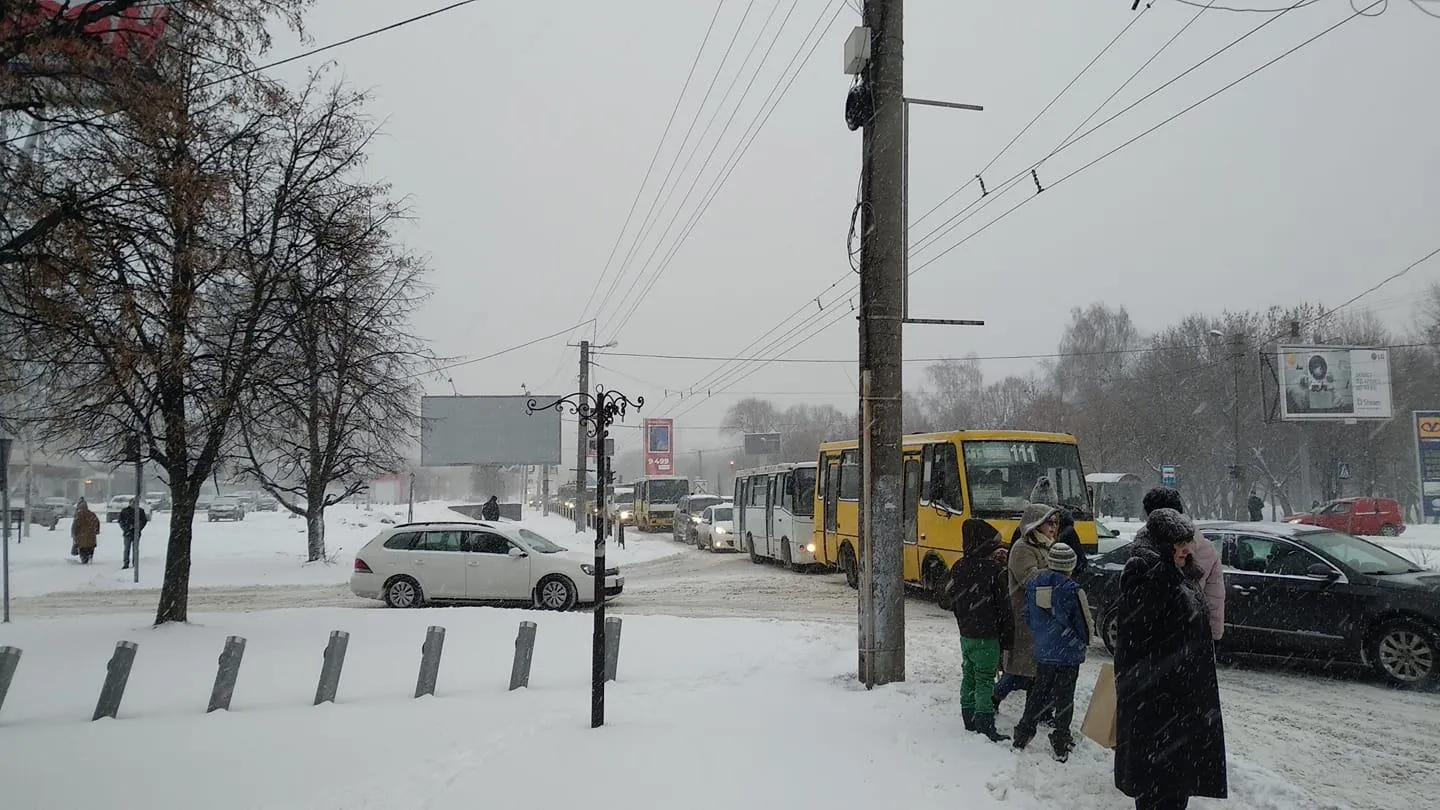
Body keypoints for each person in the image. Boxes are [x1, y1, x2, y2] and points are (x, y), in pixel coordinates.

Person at [1114, 507, 1227, 810]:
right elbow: (1141, 628)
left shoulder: (1184, 575)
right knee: (1156, 790)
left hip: (1181, 702)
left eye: (1188, 543)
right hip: (1155, 703)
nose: (1187, 551)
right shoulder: (1141, 573)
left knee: (1177, 788)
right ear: (1163, 547)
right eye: (1179, 545)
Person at [1013, 542, 1093, 761]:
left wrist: (1043, 635)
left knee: (1038, 691)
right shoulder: (1072, 590)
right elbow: (1083, 624)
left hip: (1045, 650)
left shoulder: (1034, 584)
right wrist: (1084, 640)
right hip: (1068, 654)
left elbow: (1028, 616)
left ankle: (1023, 731)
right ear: (1071, 565)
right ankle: (1060, 738)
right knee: (1064, 697)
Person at [943, 519, 1014, 743]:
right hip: (988, 635)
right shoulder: (993, 571)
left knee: (969, 675)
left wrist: (963, 613)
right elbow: (1005, 607)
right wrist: (1007, 638)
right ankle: (985, 723)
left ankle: (968, 715)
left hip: (966, 634)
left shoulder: (959, 566)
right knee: (985, 679)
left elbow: (945, 597)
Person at [994, 502, 1060, 709]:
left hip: (1041, 618)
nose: (1053, 527)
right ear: (1035, 524)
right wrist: (1057, 573)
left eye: (1055, 522)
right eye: (1048, 522)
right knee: (1019, 671)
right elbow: (1030, 579)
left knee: (1036, 672)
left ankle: (1036, 712)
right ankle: (994, 699)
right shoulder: (1022, 548)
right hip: (1025, 618)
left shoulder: (1046, 546)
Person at [1140, 487, 1224, 641]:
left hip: (1155, 635)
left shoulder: (1145, 547)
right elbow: (1214, 597)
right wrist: (1213, 635)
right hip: (1191, 631)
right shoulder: (1206, 547)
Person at [1053, 505, 1089, 578]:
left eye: (1054, 522)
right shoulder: (1068, 530)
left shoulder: (1065, 533)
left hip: (1068, 573)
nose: (1052, 526)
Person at [118, 501, 148, 570]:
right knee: (126, 549)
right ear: (129, 503)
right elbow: (120, 521)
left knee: (135, 549)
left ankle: (135, 563)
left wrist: (138, 528)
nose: (133, 504)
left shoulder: (140, 511)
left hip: (136, 533)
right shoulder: (125, 511)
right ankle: (126, 563)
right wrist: (126, 528)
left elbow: (144, 521)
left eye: (135, 503)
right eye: (132, 503)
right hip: (127, 533)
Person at [71, 498, 101, 565]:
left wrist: (74, 534)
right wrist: (96, 531)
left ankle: (84, 559)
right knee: (90, 548)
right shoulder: (91, 514)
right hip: (91, 536)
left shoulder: (78, 515)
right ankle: (90, 556)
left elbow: (75, 526)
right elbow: (97, 522)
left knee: (83, 549)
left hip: (81, 536)